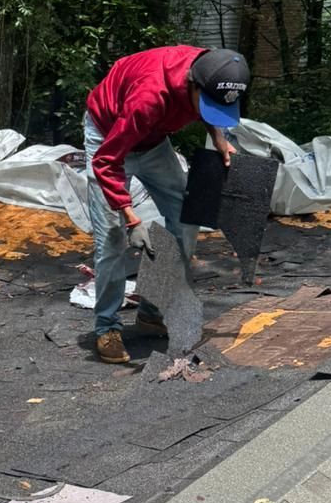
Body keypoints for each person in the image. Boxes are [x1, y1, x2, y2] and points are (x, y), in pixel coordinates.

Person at [85, 46, 251, 364]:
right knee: (113, 238)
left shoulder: (211, 71)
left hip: (154, 139)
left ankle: (151, 312)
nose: (207, 112)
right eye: (206, 106)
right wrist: (131, 218)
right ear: (191, 85)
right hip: (108, 135)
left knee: (186, 219)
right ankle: (106, 326)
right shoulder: (150, 96)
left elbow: (209, 103)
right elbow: (106, 161)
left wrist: (217, 136)